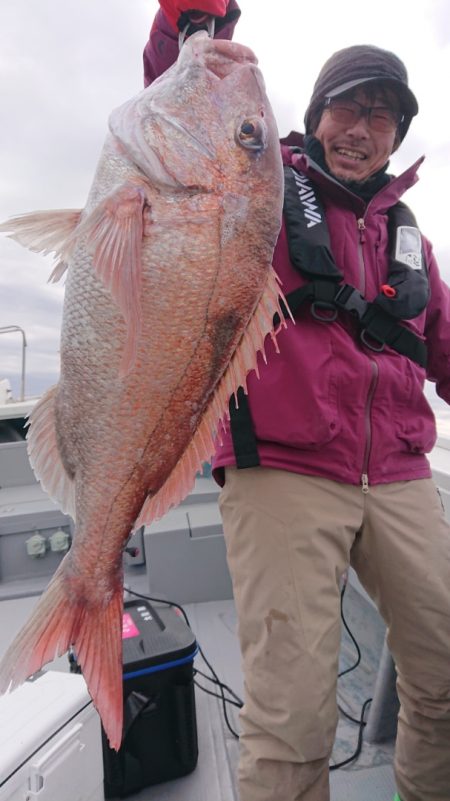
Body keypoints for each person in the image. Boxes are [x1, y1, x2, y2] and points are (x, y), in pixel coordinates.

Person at [143, 5, 450, 801]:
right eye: (349, 106)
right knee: (293, 719)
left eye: (383, 115)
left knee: (446, 674)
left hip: (401, 473)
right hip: (283, 464)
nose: (363, 127)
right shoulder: (257, 184)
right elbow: (176, 103)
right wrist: (188, 21)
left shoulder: (409, 234)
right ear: (313, 117)